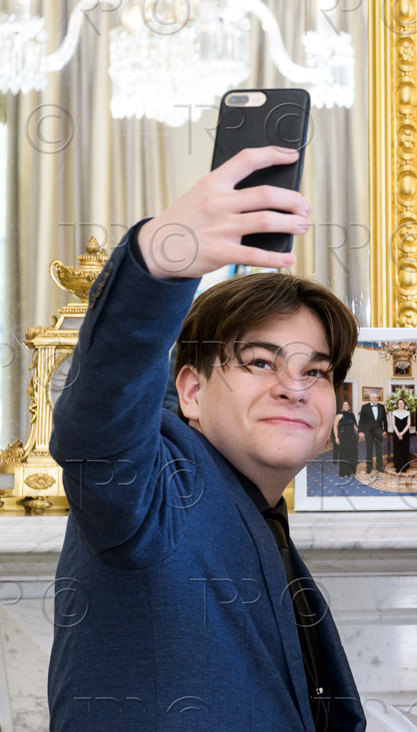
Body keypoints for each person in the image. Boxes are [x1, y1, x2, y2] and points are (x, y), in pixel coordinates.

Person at [47, 146, 366, 732]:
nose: (294, 388)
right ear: (191, 391)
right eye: (261, 362)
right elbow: (100, 420)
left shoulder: (258, 513)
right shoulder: (156, 494)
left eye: (316, 371)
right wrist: (162, 258)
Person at [357, 391, 388, 472]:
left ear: (378, 398)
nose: (374, 399)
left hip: (378, 431)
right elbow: (361, 421)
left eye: (376, 397)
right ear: (370, 398)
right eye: (373, 397)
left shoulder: (381, 407)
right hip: (368, 431)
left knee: (379, 450)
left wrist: (385, 430)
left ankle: (380, 466)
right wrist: (360, 431)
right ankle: (369, 467)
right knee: (369, 450)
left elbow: (384, 420)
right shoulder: (364, 407)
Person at [333, 399, 359, 477]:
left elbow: (355, 426)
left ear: (349, 407)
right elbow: (335, 427)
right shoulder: (338, 415)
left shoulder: (352, 415)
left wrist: (360, 432)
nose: (345, 406)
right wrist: (336, 437)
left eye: (347, 405)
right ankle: (344, 472)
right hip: (342, 438)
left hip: (351, 437)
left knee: (351, 454)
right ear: (342, 407)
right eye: (344, 405)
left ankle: (350, 471)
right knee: (344, 455)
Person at [390, 398, 413, 472]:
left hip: (405, 433)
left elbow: (408, 424)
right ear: (397, 404)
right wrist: (398, 433)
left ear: (404, 404)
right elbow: (393, 424)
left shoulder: (407, 412)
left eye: (402, 403)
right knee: (397, 449)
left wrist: (402, 433)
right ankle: (398, 466)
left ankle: (405, 466)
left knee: (404, 449)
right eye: (399, 403)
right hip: (396, 432)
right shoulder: (394, 412)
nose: (401, 404)